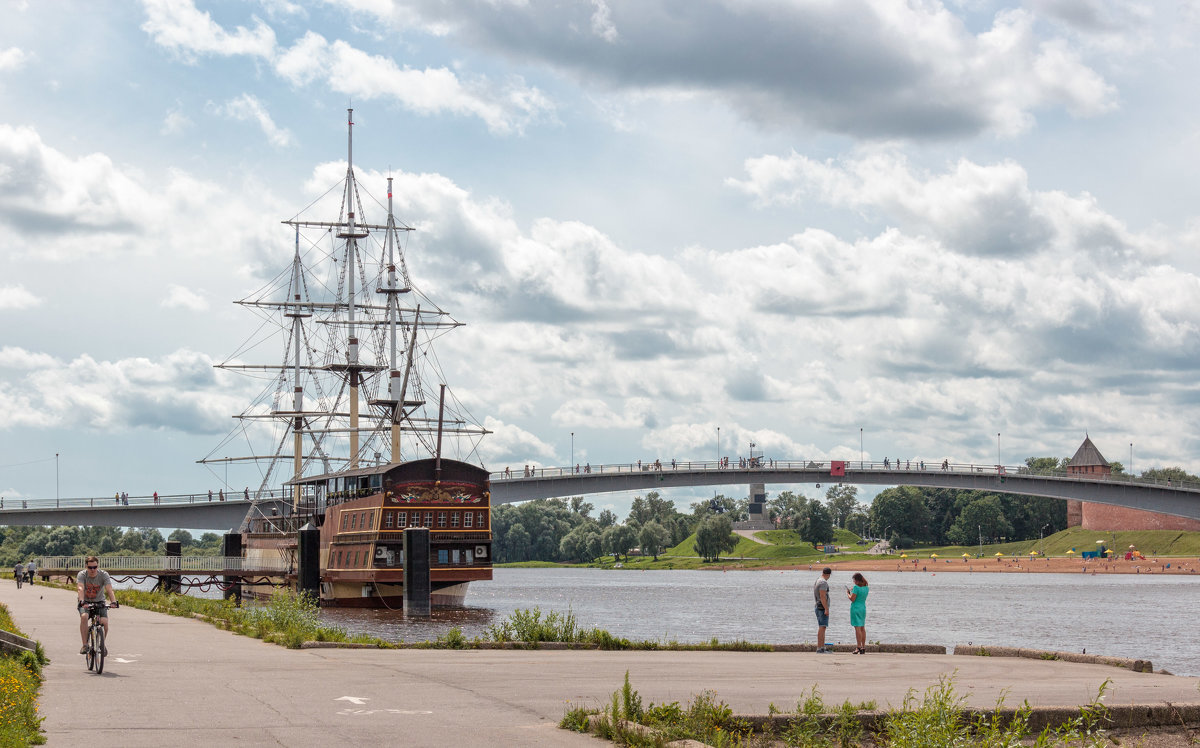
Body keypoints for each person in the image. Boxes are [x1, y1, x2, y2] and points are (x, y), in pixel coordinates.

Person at [77, 555, 118, 655]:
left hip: (99, 601)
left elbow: (109, 589)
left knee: (104, 622)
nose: (92, 570)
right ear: (86, 567)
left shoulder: (103, 574)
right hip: (85, 602)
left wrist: (113, 602)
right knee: (84, 616)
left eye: (95, 567)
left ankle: (101, 644)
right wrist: (82, 601)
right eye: (90, 567)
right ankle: (85, 645)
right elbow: (80, 588)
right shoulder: (82, 575)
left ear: (97, 566)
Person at [847, 572, 870, 654]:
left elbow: (852, 599)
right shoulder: (866, 588)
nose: (854, 582)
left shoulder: (856, 588)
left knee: (857, 628)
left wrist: (848, 593)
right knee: (862, 628)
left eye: (854, 580)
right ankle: (863, 646)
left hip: (855, 608)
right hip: (863, 608)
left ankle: (858, 647)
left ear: (857, 580)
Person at [813, 567, 832, 652]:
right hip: (821, 607)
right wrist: (826, 609)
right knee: (822, 627)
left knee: (823, 627)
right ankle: (820, 648)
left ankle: (822, 647)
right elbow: (822, 596)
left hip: (818, 606)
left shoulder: (818, 580)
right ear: (829, 574)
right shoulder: (823, 582)